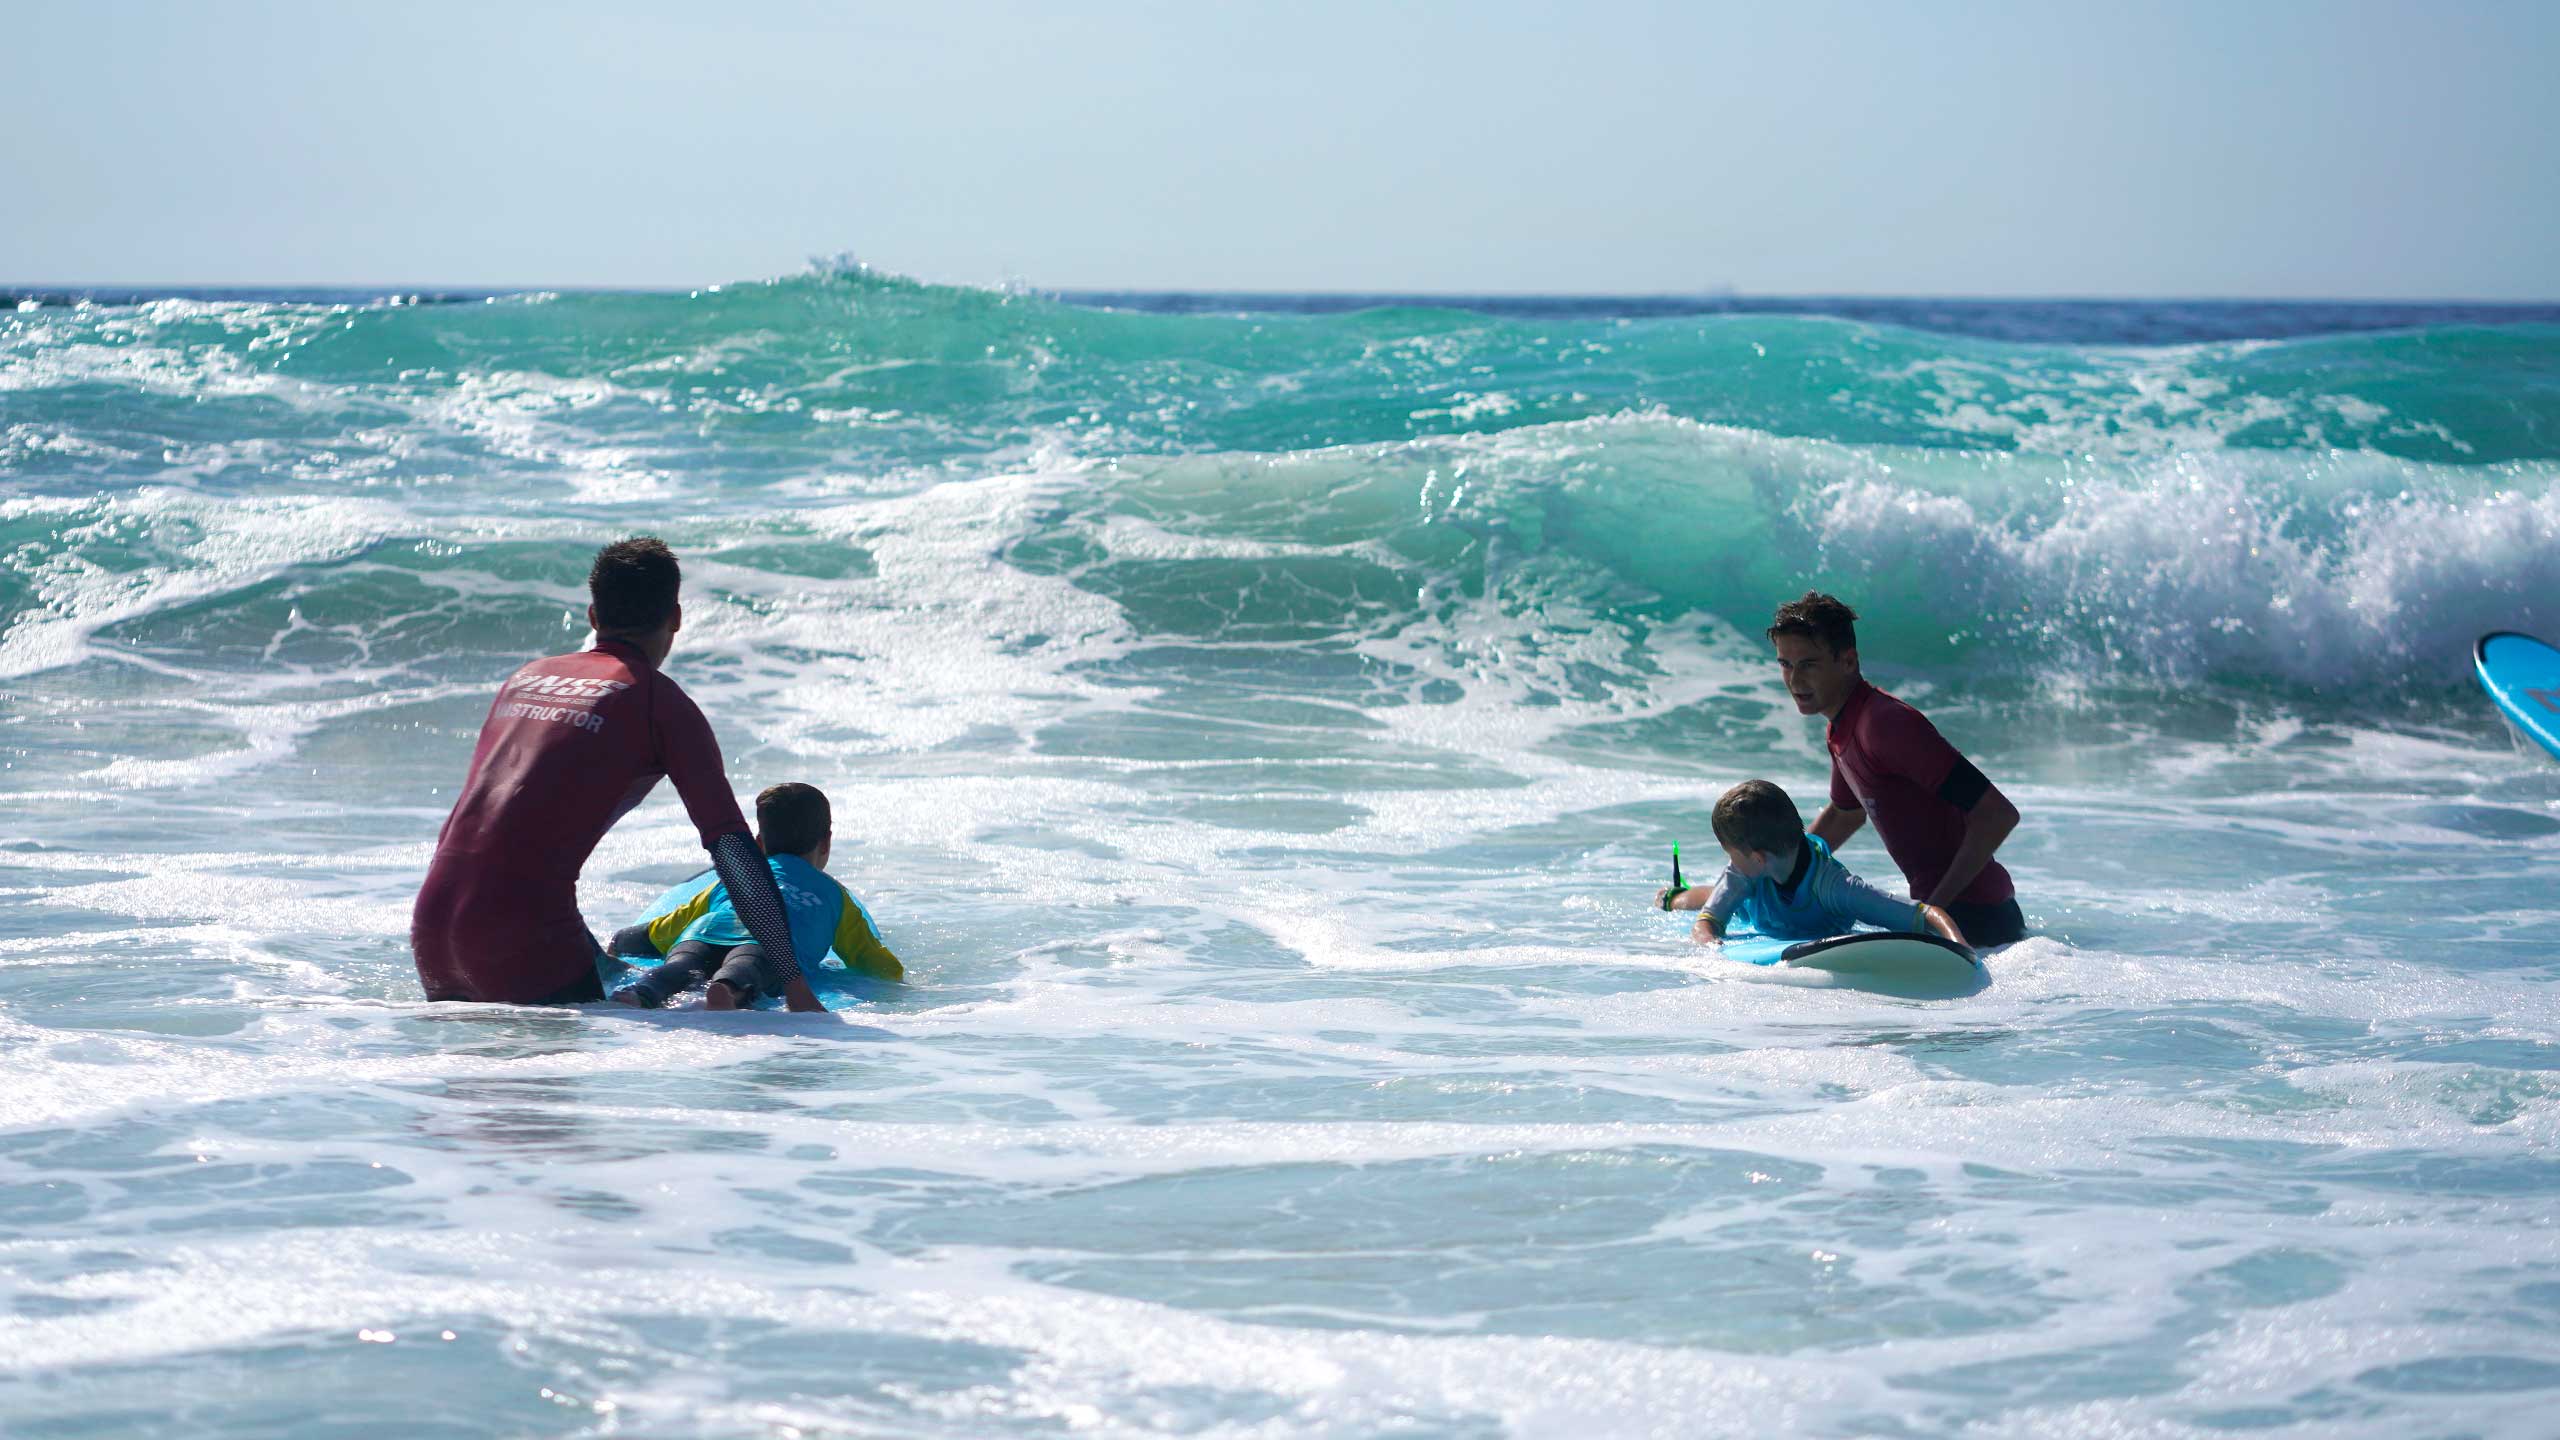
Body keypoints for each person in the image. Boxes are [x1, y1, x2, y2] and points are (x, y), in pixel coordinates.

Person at [411, 537, 821, 1011]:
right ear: (677, 618)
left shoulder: (527, 678)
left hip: (432, 928)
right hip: (521, 940)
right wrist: (795, 985)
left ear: (592, 616)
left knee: (471, 1082)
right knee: (562, 1078)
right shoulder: (657, 701)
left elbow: (504, 836)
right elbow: (733, 852)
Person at [1766, 591, 2027, 946]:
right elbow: (1845, 814)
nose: (1795, 681)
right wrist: (1773, 874)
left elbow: (1997, 814)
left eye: (1809, 664)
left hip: (1977, 917)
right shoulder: (1841, 726)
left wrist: (1932, 909)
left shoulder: (1885, 724)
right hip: (1945, 914)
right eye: (1786, 664)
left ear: (1847, 661)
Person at [607, 781, 903, 1009]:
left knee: (680, 965)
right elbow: (875, 963)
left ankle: (640, 992)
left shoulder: (734, 880)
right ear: (826, 843)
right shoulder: (834, 895)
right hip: (769, 948)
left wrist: (622, 940)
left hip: (704, 932)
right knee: (747, 967)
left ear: (759, 843)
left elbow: (667, 928)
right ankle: (727, 990)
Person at [1661, 780, 1968, 946]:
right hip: (1750, 906)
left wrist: (1962, 950)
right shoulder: (1742, 874)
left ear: (1757, 857)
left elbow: (1926, 914)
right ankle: (1673, 895)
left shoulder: (1835, 888)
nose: (1730, 863)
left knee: (1727, 893)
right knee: (1692, 899)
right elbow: (1706, 924)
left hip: (1777, 909)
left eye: (1731, 854)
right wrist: (1712, 946)